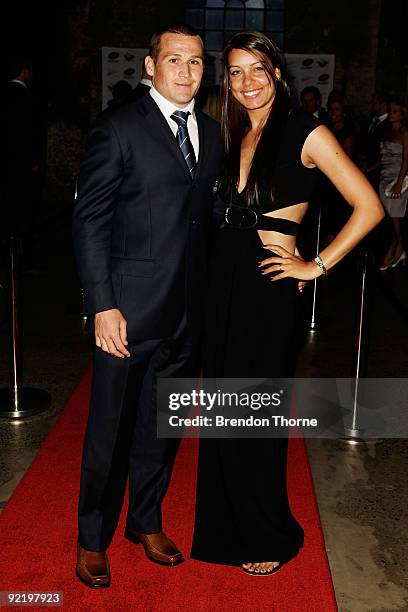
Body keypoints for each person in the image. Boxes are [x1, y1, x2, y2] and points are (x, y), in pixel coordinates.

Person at [190, 31, 384, 576]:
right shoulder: (230, 132)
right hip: (222, 282)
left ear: (277, 72)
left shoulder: (307, 131)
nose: (246, 82)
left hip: (270, 285)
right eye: (234, 72)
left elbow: (367, 207)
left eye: (257, 69)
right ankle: (226, 526)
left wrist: (314, 265)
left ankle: (267, 529)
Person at [72, 25, 222, 588]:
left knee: (162, 427)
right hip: (127, 316)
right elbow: (89, 223)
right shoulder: (117, 129)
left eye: (196, 61)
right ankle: (92, 538)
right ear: (150, 65)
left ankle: (146, 521)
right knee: (109, 430)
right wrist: (102, 305)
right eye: (175, 59)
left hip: (186, 316)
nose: (186, 71)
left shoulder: (211, 132)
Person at [378, 99, 408, 270]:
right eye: (390, 110)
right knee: (390, 220)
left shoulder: (405, 133)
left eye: (395, 111)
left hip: (399, 181)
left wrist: (398, 184)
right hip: (384, 179)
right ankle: (398, 251)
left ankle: (396, 252)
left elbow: (406, 160)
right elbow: (383, 158)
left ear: (402, 115)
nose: (391, 113)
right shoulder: (387, 132)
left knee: (396, 220)